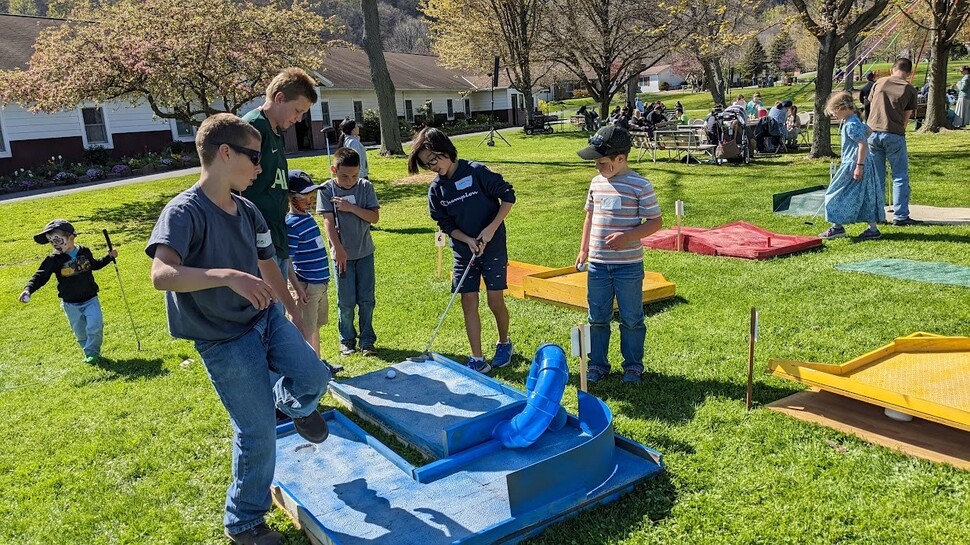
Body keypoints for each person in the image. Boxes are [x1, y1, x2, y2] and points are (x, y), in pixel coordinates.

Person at [146, 113, 330, 545]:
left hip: (264, 317)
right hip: (223, 340)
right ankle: (244, 521)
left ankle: (292, 403)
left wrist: (292, 306)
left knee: (315, 377)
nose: (260, 167)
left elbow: (267, 262)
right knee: (257, 431)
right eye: (254, 156)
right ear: (225, 153)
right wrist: (227, 275)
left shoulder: (248, 209)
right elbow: (162, 275)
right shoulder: (184, 211)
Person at [407, 127, 516, 374]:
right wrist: (467, 239)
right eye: (427, 164)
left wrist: (490, 229)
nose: (432, 166)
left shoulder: (476, 172)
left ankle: (504, 342)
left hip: (492, 246)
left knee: (494, 300)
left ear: (446, 150)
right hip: (464, 251)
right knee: (468, 300)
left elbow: (508, 196)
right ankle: (477, 358)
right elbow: (445, 224)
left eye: (434, 160)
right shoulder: (437, 190)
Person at [574, 126, 662, 384]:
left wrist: (627, 237)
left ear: (620, 159)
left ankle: (633, 366)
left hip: (628, 267)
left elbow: (655, 221)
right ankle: (598, 365)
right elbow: (589, 216)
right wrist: (584, 249)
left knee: (632, 318)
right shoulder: (596, 183)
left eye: (602, 163)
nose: (597, 168)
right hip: (598, 266)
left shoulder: (640, 185)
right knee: (597, 316)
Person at [242, 67, 319, 293]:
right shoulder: (254, 127)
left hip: (277, 235)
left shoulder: (276, 131)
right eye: (297, 110)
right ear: (279, 98)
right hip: (258, 241)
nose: (299, 119)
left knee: (280, 310)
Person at [20, 219, 117, 364]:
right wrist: (28, 289)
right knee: (80, 332)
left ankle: (93, 353)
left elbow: (94, 265)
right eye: (52, 242)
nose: (56, 245)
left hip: (90, 299)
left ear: (71, 238)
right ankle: (88, 352)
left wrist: (109, 257)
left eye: (59, 240)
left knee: (95, 325)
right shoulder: (54, 259)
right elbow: (41, 275)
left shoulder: (85, 252)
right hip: (70, 304)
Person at [317, 147, 381, 357]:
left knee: (366, 300)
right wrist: (338, 248)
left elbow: (374, 218)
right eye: (344, 176)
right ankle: (347, 339)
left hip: (364, 253)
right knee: (346, 302)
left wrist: (351, 207)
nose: (350, 180)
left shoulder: (365, 187)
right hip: (342, 256)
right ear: (333, 169)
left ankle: (367, 340)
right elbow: (328, 221)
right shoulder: (326, 190)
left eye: (354, 175)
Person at [818, 92, 884, 241]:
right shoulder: (854, 121)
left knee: (834, 193)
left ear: (843, 108)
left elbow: (862, 144)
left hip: (853, 164)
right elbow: (868, 131)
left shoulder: (851, 124)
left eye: (835, 112)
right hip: (864, 163)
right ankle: (872, 229)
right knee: (866, 195)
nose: (835, 115)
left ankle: (837, 227)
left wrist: (859, 165)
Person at [867, 57, 919, 226]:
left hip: (873, 132)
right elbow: (906, 117)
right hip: (894, 133)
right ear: (909, 73)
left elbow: (870, 103)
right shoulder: (910, 89)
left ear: (892, 69)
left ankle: (876, 214)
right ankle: (900, 215)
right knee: (899, 176)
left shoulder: (879, 83)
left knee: (877, 177)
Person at [285, 169, 330, 358]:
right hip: (306, 287)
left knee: (314, 327)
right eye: (305, 196)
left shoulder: (308, 218)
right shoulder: (292, 224)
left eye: (312, 194)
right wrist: (297, 288)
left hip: (320, 285)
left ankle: (318, 365)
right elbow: (288, 260)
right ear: (291, 198)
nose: (311, 199)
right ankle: (307, 368)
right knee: (304, 330)